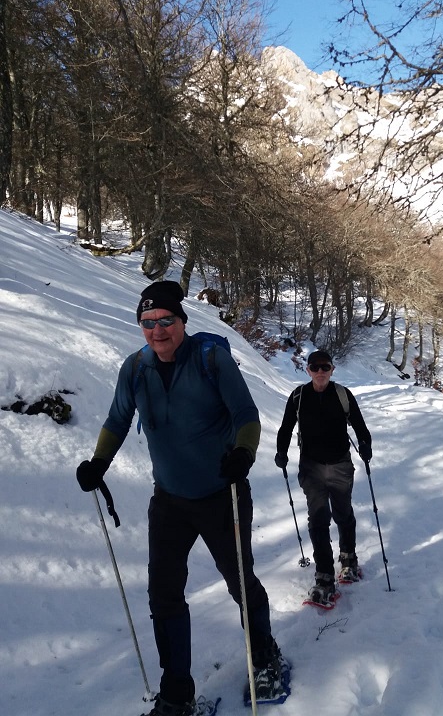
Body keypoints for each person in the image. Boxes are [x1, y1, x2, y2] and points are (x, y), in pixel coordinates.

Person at [76, 281, 285, 716]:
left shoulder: (211, 360)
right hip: (169, 501)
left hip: (221, 494)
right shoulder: (134, 369)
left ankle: (264, 656)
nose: (157, 330)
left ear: (182, 322)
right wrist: (99, 461)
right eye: (148, 323)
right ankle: (176, 694)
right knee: (164, 596)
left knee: (240, 581)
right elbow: (117, 420)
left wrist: (244, 452)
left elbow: (246, 414)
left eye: (165, 320)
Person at [275, 349, 372, 606]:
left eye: (325, 367)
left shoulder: (342, 395)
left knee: (342, 513)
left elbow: (360, 426)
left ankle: (348, 559)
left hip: (340, 465)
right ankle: (325, 577)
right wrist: (281, 452)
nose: (320, 372)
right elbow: (286, 428)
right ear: (307, 370)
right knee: (318, 520)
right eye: (315, 367)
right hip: (311, 468)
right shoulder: (298, 396)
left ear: (332, 370)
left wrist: (365, 444)